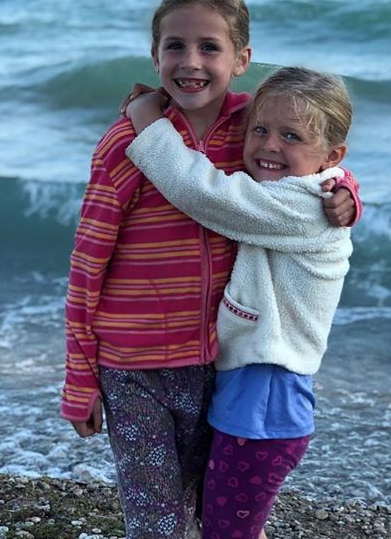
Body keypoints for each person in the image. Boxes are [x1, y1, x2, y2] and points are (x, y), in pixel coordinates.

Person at [61, 0, 359, 539]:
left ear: (242, 58)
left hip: (214, 363)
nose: (190, 61)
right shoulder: (126, 144)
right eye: (175, 46)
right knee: (155, 521)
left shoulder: (251, 133)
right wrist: (80, 373)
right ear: (154, 55)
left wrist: (347, 191)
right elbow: (86, 265)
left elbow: (308, 165)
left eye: (210, 47)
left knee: (216, 509)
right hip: (133, 366)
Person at [123, 66, 355, 539]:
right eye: (260, 130)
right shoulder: (305, 192)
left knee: (227, 533)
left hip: (266, 397)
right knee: (230, 525)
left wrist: (149, 123)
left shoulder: (304, 207)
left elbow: (203, 193)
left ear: (331, 156)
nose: (270, 145)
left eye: (291, 136)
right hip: (254, 391)